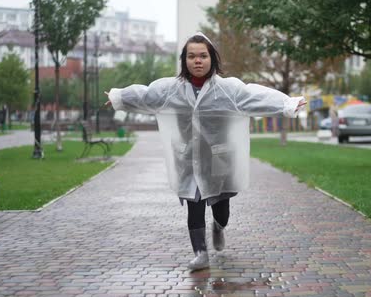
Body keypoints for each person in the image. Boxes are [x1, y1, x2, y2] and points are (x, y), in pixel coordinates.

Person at [105, 32, 306, 271]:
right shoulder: (171, 89)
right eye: (191, 56)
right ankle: (200, 253)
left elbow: (255, 95)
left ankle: (219, 227)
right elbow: (147, 94)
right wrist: (120, 97)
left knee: (221, 206)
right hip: (188, 158)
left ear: (212, 59)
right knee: (195, 202)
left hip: (219, 159)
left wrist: (287, 104)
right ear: (184, 60)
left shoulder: (228, 89)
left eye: (202, 56)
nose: (197, 61)